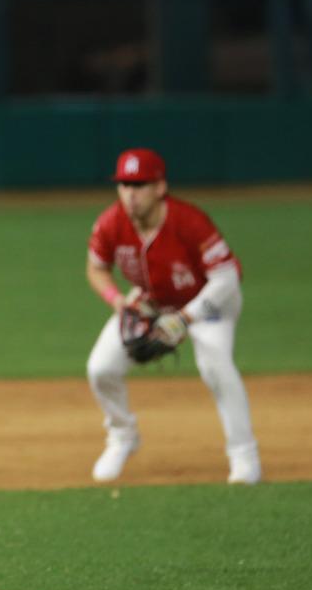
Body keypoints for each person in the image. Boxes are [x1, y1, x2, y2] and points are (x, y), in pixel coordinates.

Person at [84, 148, 261, 486]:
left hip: (209, 303)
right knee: (101, 368)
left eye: (139, 184)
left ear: (160, 187)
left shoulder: (189, 222)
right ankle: (123, 437)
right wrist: (117, 300)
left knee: (215, 366)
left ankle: (244, 456)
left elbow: (226, 278)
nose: (130, 194)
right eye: (124, 184)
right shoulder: (111, 223)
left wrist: (185, 318)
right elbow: (96, 268)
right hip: (152, 302)